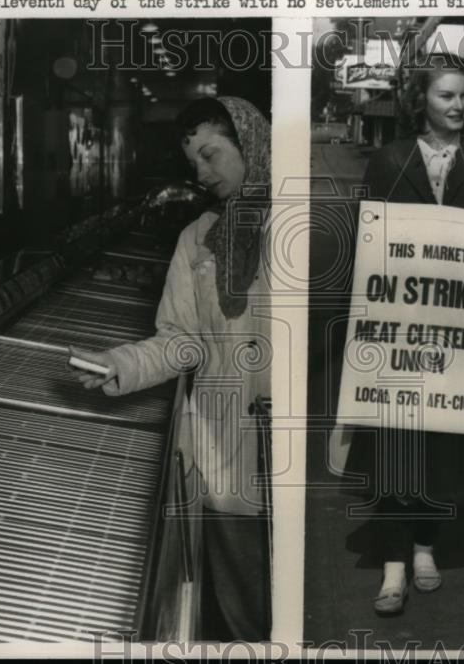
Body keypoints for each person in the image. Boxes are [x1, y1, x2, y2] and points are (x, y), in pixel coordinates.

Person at [72, 96, 271, 641]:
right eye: (193, 165)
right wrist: (120, 364)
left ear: (250, 143)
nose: (203, 175)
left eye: (212, 155)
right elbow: (181, 341)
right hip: (226, 457)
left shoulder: (306, 229)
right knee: (244, 616)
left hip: (296, 461)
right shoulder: (197, 239)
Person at [340, 52, 464, 617]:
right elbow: (367, 252)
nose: (460, 106)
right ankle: (394, 565)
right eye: (447, 96)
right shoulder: (389, 162)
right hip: (401, 332)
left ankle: (425, 550)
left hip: (463, 333)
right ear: (421, 100)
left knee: (444, 448)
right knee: (401, 442)